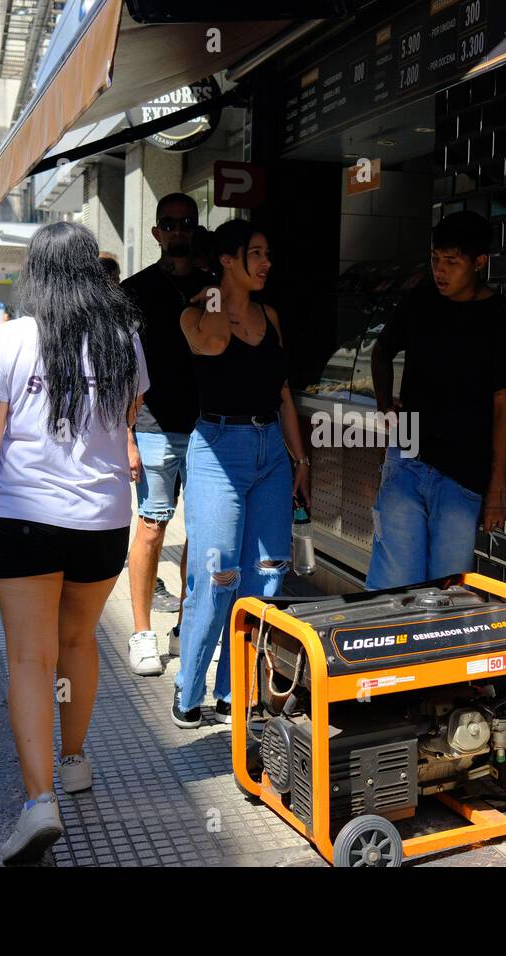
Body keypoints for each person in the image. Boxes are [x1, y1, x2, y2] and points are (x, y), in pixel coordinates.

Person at [0, 221, 149, 864]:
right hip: (102, 523)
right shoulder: (124, 338)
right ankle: (74, 762)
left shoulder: (13, 338)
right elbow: (128, 419)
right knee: (78, 642)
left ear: (36, 273)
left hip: (24, 521)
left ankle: (39, 801)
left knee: (29, 658)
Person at [176, 218, 310, 729]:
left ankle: (236, 691)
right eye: (255, 254)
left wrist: (299, 461)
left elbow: (283, 395)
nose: (266, 263)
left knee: (267, 574)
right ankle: (188, 691)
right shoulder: (195, 314)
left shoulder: (271, 316)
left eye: (267, 254)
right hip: (217, 449)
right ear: (227, 260)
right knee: (217, 577)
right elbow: (211, 345)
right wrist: (214, 292)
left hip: (271, 450)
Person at [365, 211, 506, 589]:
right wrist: (385, 406)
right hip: (407, 461)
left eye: (452, 262)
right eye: (436, 259)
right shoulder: (419, 302)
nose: (440, 270)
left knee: (446, 590)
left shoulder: (499, 318)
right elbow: (381, 351)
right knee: (395, 587)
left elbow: (505, 404)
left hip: (462, 475)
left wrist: (497, 488)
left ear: (479, 262)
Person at [121, 194, 212, 677]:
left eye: (187, 223)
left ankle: (184, 627)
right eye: (169, 224)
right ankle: (141, 633)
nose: (178, 231)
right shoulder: (135, 290)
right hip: (154, 426)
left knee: (200, 532)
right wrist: (127, 436)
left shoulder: (213, 288)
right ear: (156, 232)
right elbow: (121, 368)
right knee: (152, 525)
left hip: (208, 427)